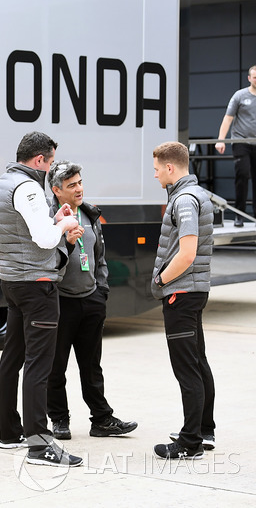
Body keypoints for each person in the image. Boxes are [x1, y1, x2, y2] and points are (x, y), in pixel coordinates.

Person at [0, 131, 82, 468]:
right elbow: (42, 239)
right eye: (51, 162)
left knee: (12, 358)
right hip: (37, 285)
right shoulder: (28, 187)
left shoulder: (2, 183)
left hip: (12, 282)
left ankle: (9, 433)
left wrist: (54, 218)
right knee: (39, 365)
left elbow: (23, 229)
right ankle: (40, 445)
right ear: (39, 159)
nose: (50, 168)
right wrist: (67, 222)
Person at [45, 160, 138, 440]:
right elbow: (47, 260)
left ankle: (102, 420)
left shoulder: (89, 214)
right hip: (61, 303)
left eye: (80, 182)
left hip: (91, 300)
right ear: (56, 190)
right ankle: (59, 420)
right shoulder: (48, 218)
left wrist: (101, 290)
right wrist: (68, 243)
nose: (79, 189)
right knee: (55, 367)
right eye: (72, 185)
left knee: (91, 366)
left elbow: (100, 257)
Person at [151, 141, 216, 460]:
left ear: (170, 168)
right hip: (193, 290)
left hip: (182, 292)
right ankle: (203, 430)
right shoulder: (196, 194)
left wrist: (161, 280)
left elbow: (187, 253)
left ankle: (190, 442)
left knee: (187, 367)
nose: (155, 175)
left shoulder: (185, 200)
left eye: (156, 169)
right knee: (198, 361)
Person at [215, 65, 256, 227]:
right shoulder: (240, 96)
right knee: (243, 176)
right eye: (254, 76)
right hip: (241, 142)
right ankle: (240, 215)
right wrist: (221, 139)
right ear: (249, 78)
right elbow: (228, 118)